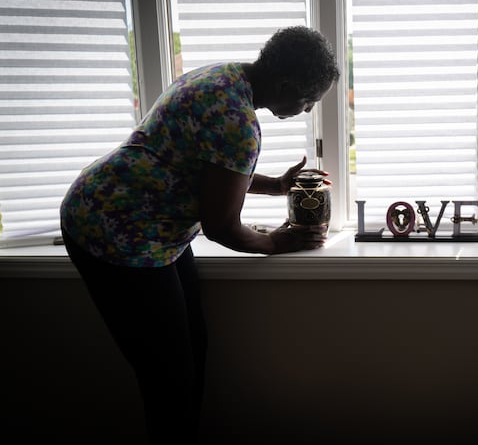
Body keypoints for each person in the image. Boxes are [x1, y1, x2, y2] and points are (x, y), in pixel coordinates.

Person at [59, 26, 340, 443]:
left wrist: (277, 187)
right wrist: (273, 244)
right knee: (168, 376)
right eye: (308, 100)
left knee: (192, 347)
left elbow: (208, 168)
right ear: (284, 85)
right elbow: (222, 227)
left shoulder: (222, 77)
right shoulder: (238, 122)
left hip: (150, 226)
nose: (305, 111)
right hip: (115, 230)